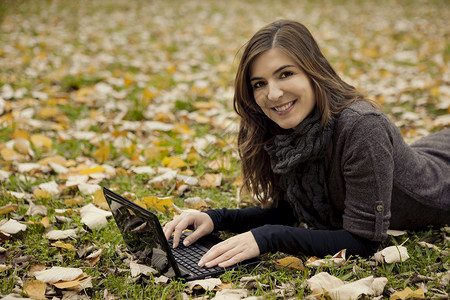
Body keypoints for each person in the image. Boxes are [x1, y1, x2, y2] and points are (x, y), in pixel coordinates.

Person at [163, 20, 450, 269]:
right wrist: (215, 219)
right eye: (259, 83)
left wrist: (267, 238)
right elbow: (293, 210)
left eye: (286, 74)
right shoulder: (286, 129)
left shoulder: (363, 126)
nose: (273, 94)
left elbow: (364, 242)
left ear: (314, 72)